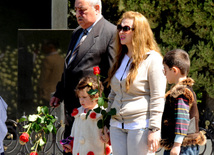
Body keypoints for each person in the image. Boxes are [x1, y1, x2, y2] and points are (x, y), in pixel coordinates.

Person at [49, 0, 116, 142]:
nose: (77, 14)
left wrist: (106, 114)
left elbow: (112, 74)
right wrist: (59, 92)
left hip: (92, 112)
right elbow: (70, 66)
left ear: (97, 8)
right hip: (72, 109)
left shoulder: (110, 32)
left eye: (82, 9)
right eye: (76, 9)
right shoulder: (77, 33)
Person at [104, 11, 166, 155]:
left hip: (140, 126)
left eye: (126, 28)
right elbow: (113, 93)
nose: (121, 31)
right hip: (116, 125)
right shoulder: (120, 58)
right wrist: (106, 123)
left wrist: (155, 129)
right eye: (119, 27)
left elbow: (158, 97)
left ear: (138, 32)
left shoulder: (153, 59)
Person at [160, 49, 206, 155]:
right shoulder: (186, 90)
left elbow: (182, 119)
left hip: (182, 146)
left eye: (165, 70)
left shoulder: (180, 93)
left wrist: (176, 145)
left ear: (174, 70)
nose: (164, 74)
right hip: (183, 145)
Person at [61, 76, 111, 155]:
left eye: (84, 97)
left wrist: (108, 138)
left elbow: (110, 134)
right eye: (80, 97)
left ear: (96, 96)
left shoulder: (102, 114)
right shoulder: (78, 113)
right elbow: (74, 134)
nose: (81, 100)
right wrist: (70, 144)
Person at [38, 39, 64, 106]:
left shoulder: (48, 60)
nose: (42, 48)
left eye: (44, 46)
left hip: (48, 92)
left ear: (51, 47)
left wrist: (40, 90)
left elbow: (44, 77)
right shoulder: (62, 60)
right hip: (61, 92)